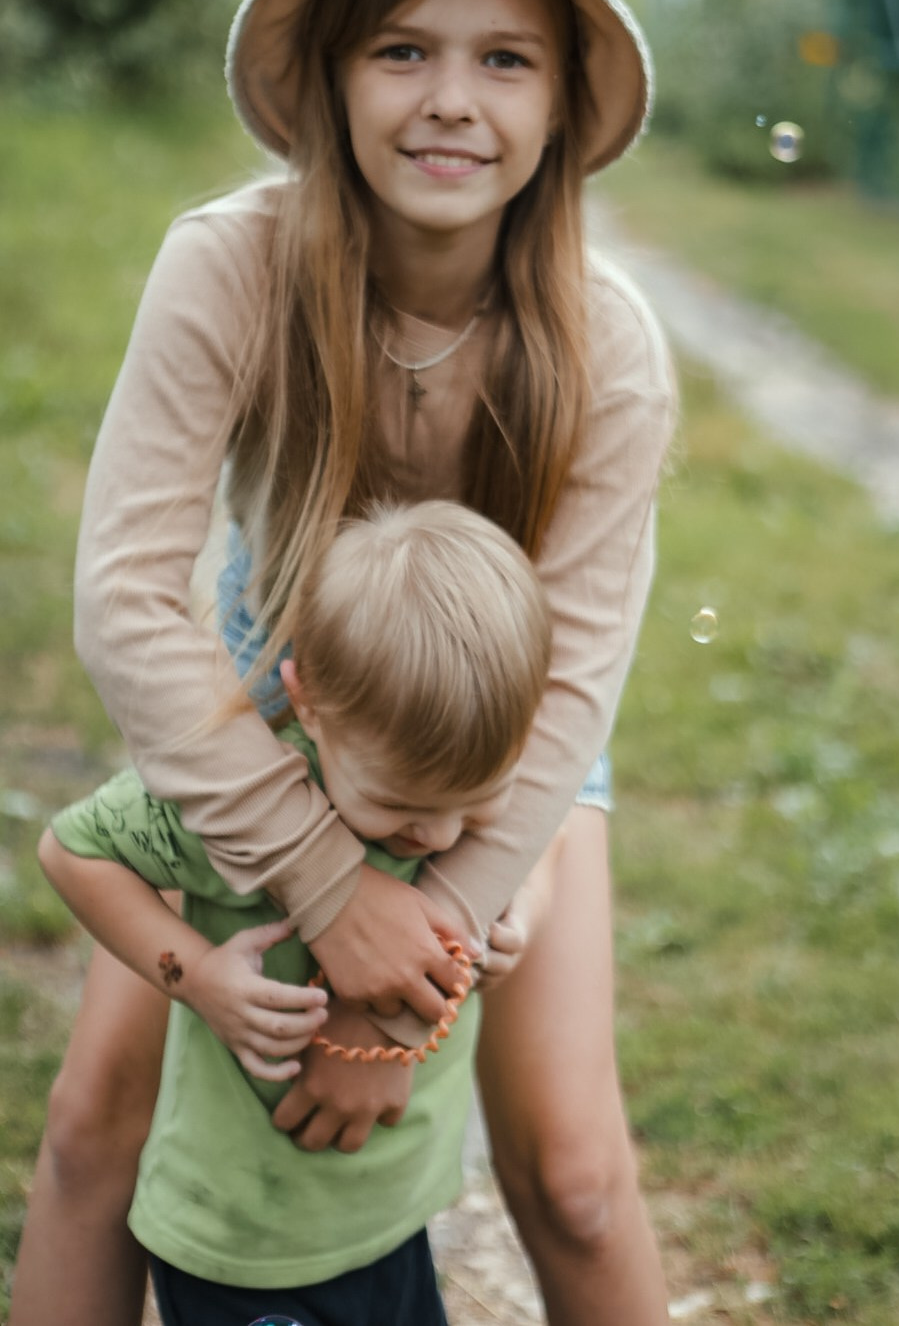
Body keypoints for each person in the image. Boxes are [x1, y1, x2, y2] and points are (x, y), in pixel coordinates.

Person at [10, 0, 676, 1326]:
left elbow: (572, 671)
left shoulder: (606, 344)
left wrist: (434, 930)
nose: (451, 98)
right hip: (273, 697)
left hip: (508, 745)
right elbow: (124, 597)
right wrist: (324, 882)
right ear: (330, 78)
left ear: (562, 102)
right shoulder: (231, 266)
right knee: (89, 1139)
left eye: (506, 58)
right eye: (402, 49)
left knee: (571, 1172)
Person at [37, 501, 554, 1326]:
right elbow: (72, 853)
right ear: (308, 703)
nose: (443, 836)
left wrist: (510, 909)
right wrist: (194, 973)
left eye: (477, 807)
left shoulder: (463, 764)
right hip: (242, 1241)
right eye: (402, 810)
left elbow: (532, 844)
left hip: (390, 1222)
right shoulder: (241, 801)